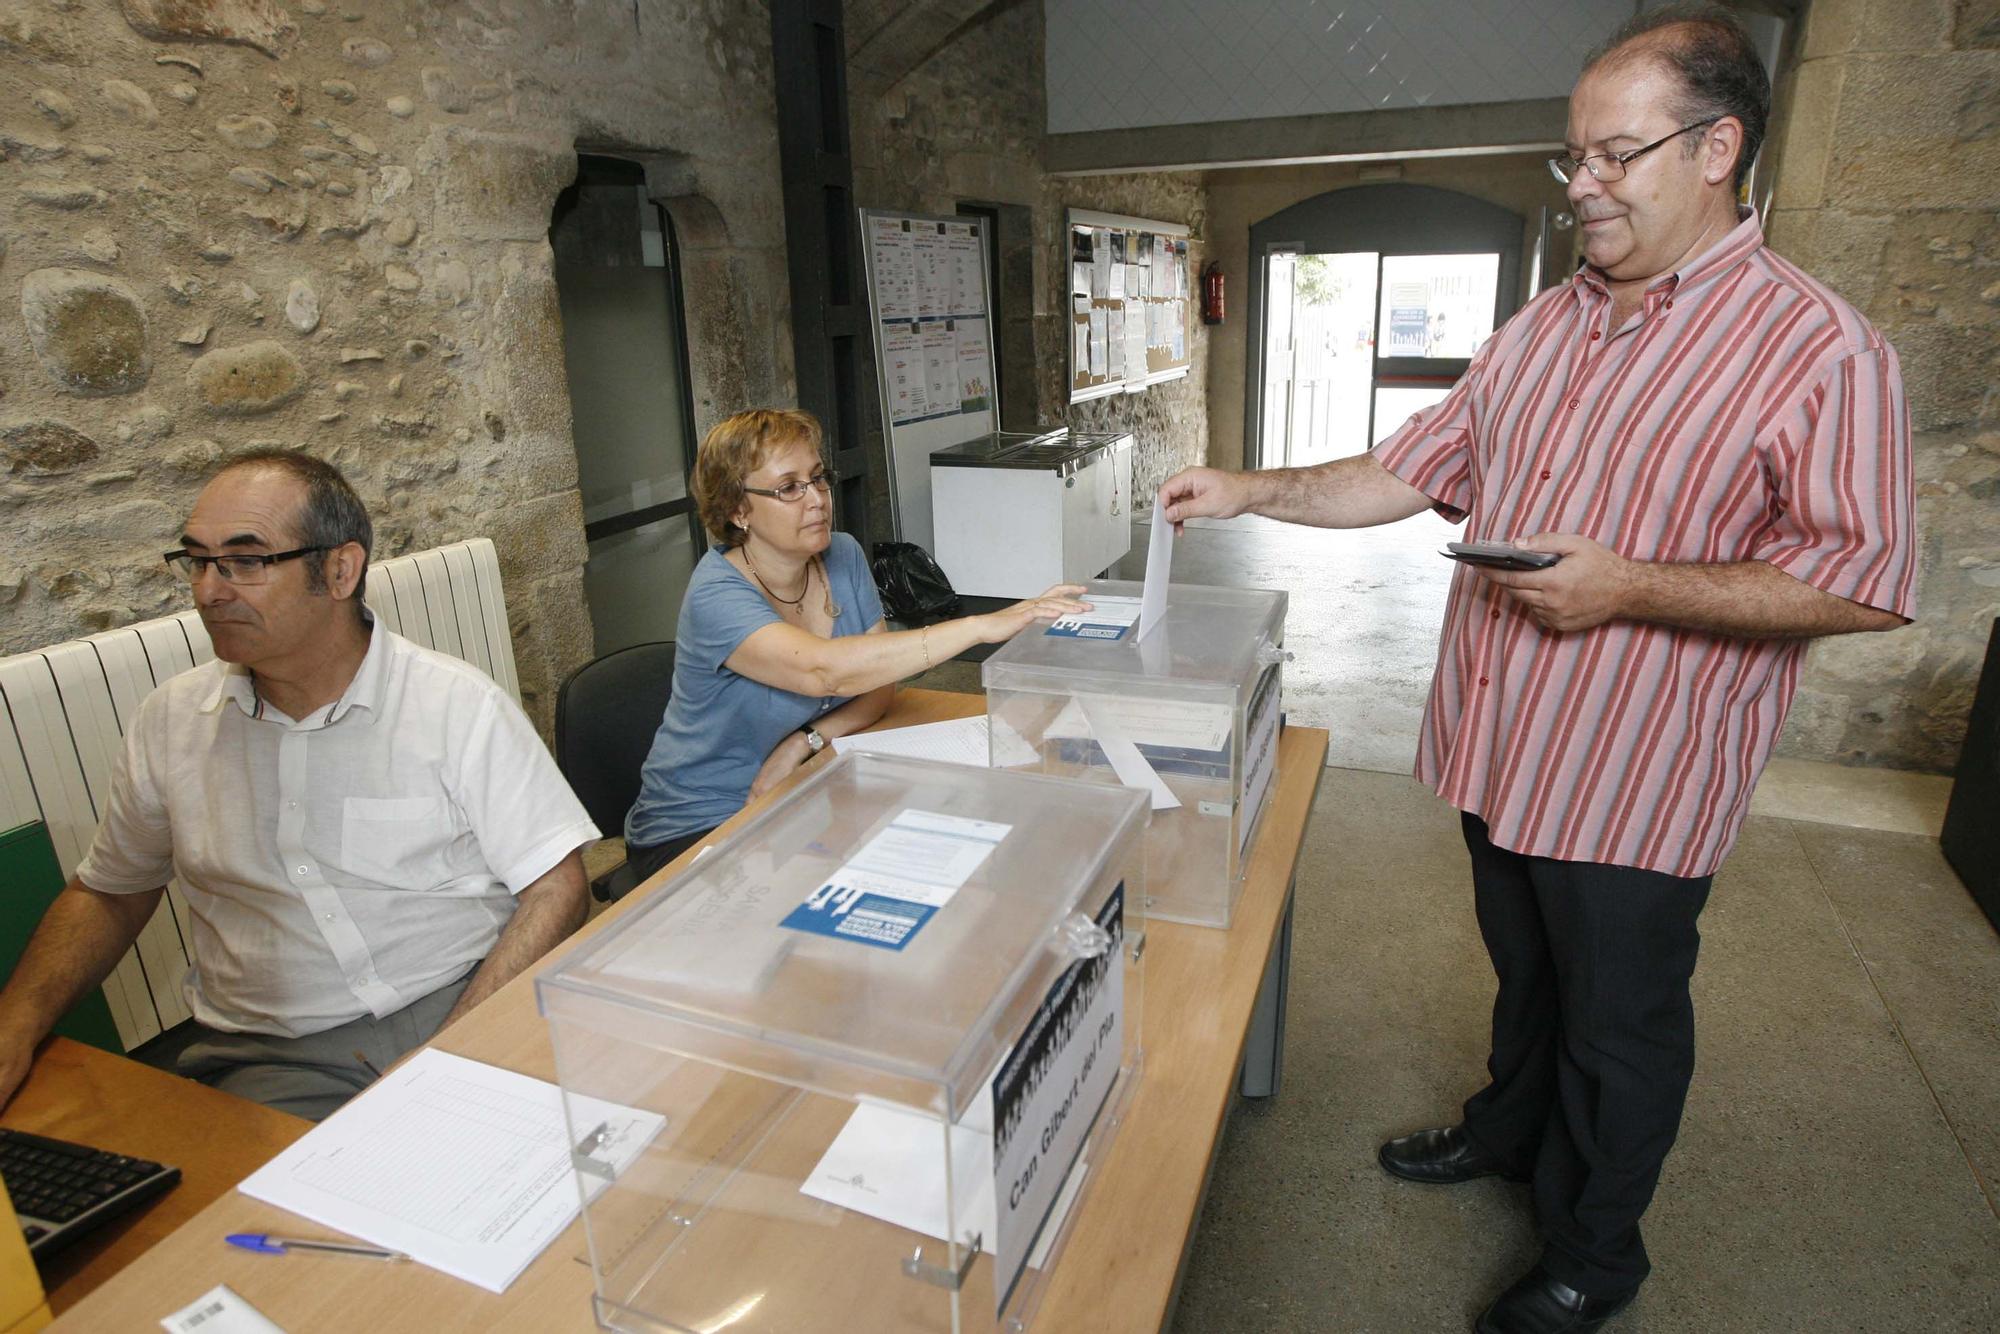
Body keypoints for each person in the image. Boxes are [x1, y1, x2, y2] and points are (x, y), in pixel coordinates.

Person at [1161, 7, 1913, 1332]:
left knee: (1617, 1021)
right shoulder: (1539, 326)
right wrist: (1245, 486)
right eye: (1575, 158)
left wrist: (1629, 584)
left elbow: (1859, 577)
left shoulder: (1820, 348)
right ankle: (1507, 1134)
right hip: (1502, 749)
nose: (1583, 187)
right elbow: (1410, 471)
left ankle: (1593, 1251)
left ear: (1718, 146)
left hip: (1635, 774)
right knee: (1526, 975)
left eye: (1614, 155)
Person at [0, 451, 599, 1120]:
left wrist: (454, 1049)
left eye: (245, 561)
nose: (209, 591)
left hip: (471, 994)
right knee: (254, 1221)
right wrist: (14, 1026)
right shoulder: (170, 723)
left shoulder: (454, 705)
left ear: (340, 570)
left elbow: (556, 885)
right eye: (198, 561)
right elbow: (111, 890)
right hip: (279, 1056)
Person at [622, 408, 1089, 885]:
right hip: (700, 823)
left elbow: (878, 687)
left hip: (803, 787)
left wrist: (801, 744)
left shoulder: (840, 554)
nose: (818, 500)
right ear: (738, 511)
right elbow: (825, 673)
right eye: (789, 488)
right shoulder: (714, 594)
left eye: (818, 478)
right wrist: (977, 627)